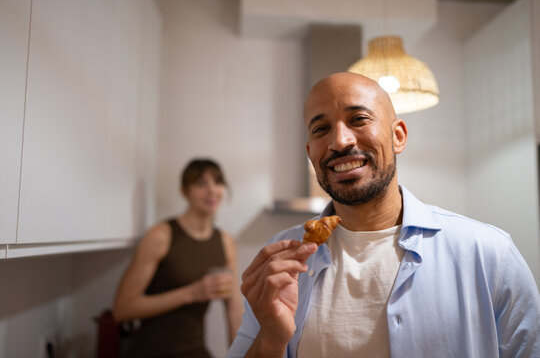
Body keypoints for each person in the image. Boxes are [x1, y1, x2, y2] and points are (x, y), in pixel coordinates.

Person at [227, 72, 540, 358]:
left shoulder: (488, 255)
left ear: (398, 137)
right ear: (311, 153)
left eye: (359, 119)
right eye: (322, 128)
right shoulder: (280, 261)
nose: (340, 141)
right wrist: (270, 340)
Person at [114, 158, 243, 358]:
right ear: (185, 191)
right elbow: (123, 308)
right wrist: (192, 292)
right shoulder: (161, 235)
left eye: (217, 182)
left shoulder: (225, 241)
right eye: (201, 183)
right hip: (150, 351)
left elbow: (234, 308)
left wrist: (240, 354)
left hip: (196, 351)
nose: (212, 190)